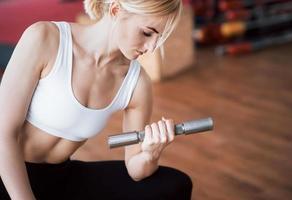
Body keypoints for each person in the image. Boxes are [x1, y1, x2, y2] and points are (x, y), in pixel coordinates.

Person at [0, 0, 192, 199]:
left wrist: (150, 153)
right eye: (147, 33)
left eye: (159, 37)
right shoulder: (44, 38)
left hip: (59, 177)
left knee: (176, 184)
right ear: (116, 10)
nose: (152, 47)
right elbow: (3, 133)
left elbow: (136, 169)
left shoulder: (137, 83)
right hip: (7, 172)